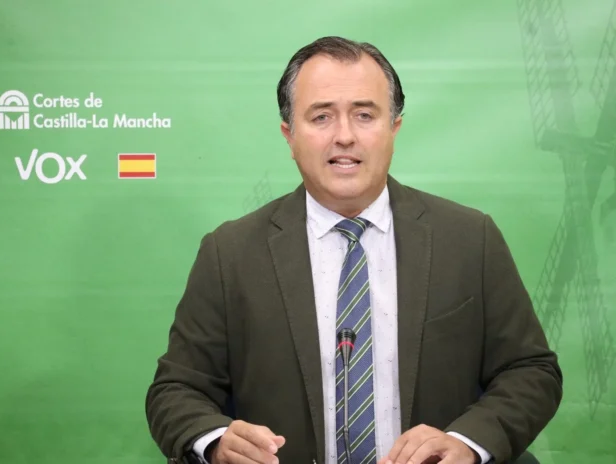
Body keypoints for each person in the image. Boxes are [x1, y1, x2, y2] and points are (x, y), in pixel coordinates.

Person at [145, 36, 563, 464]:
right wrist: (217, 441)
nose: (344, 136)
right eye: (321, 117)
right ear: (289, 135)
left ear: (394, 128)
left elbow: (531, 371)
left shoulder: (470, 238)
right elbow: (176, 390)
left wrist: (467, 443)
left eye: (364, 115)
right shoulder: (230, 254)